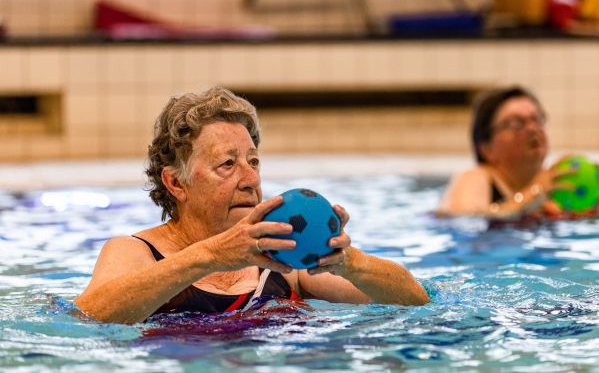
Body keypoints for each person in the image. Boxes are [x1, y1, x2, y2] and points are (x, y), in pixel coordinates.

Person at [76, 86, 429, 324]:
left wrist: (350, 263)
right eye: (227, 165)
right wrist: (212, 255)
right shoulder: (136, 252)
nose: (250, 179)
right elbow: (92, 314)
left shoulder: (285, 261)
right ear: (176, 182)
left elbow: (414, 302)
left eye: (253, 161)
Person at [436, 86, 599, 221]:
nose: (532, 129)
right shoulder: (478, 177)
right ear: (486, 148)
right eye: (516, 123)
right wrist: (534, 193)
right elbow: (462, 219)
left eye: (536, 119)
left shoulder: (554, 181)